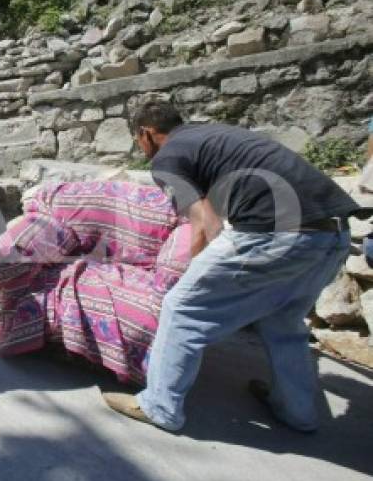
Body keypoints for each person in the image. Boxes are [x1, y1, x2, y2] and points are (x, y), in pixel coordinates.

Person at [103, 102, 358, 433]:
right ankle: (298, 411)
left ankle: (159, 406)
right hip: (333, 234)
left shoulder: (168, 157)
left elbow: (205, 224)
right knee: (283, 321)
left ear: (146, 134)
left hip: (276, 232)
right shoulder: (213, 136)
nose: (140, 147)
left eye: (137, 140)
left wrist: (190, 279)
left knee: (180, 307)